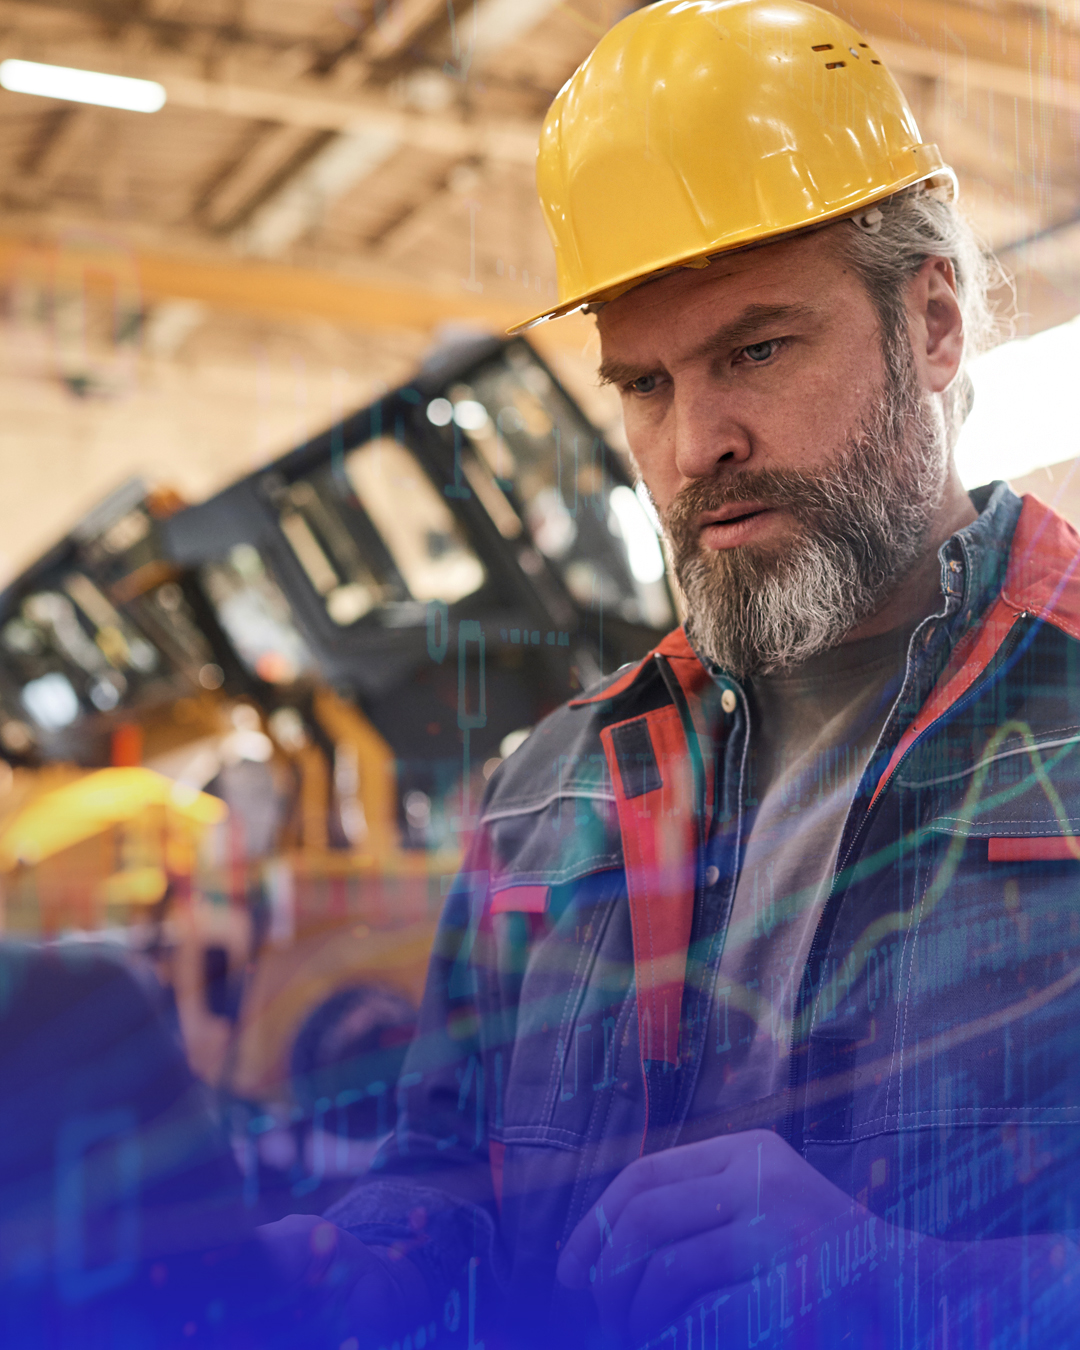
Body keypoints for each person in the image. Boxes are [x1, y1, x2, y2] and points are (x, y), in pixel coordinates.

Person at [258, 2, 1080, 1345]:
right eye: (643, 383)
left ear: (933, 325)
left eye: (757, 349)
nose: (697, 442)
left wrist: (911, 1288)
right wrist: (366, 1260)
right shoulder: (548, 789)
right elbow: (447, 1164)